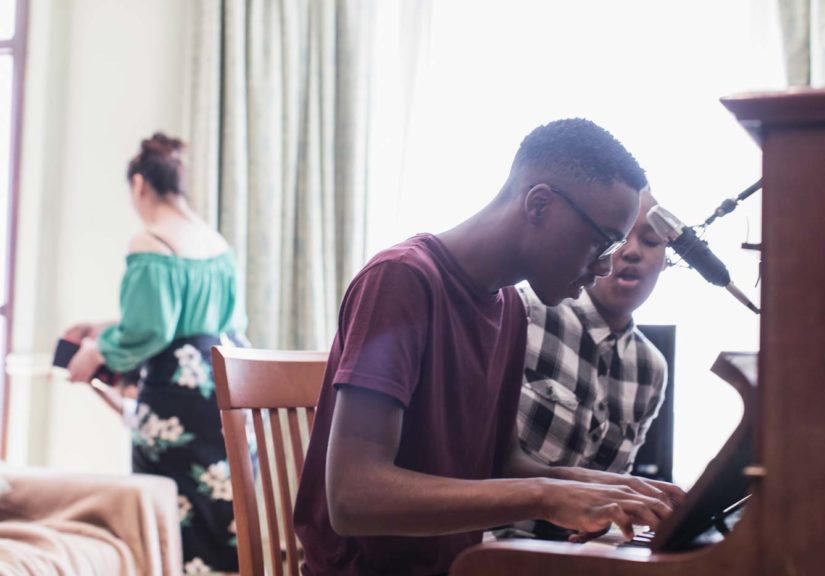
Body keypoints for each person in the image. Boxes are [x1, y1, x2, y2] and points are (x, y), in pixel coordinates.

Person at [293, 118, 685, 576]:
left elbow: (498, 464)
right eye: (601, 242)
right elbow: (353, 498)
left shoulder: (511, 309)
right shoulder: (401, 280)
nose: (604, 266)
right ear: (539, 205)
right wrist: (546, 495)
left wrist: (611, 489)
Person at [66, 133, 247, 575]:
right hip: (223, 393)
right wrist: (107, 326)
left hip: (175, 401)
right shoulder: (216, 243)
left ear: (140, 185)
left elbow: (149, 330)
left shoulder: (151, 243)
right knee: (219, 511)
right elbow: (214, 324)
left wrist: (94, 352)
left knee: (167, 512)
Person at [502, 187, 672, 541]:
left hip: (570, 559)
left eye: (652, 241)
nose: (632, 252)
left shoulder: (651, 368)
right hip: (491, 549)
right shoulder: (527, 310)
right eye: (618, 238)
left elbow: (609, 501)